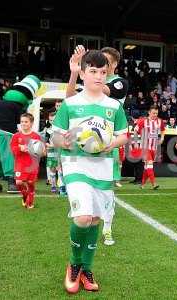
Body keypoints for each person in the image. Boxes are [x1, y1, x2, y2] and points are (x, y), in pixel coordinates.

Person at [52, 50, 128, 293]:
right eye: (93, 71)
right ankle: (74, 265)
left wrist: (110, 144)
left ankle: (86, 268)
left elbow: (124, 135)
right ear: (83, 73)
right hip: (75, 163)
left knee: (95, 218)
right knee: (82, 218)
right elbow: (55, 134)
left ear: (108, 75)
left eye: (102, 72)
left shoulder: (114, 106)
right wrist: (61, 142)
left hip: (104, 165)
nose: (98, 76)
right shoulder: (70, 104)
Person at [66, 45, 129, 246]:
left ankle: (108, 228)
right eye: (96, 65)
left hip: (107, 144)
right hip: (83, 146)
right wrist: (76, 73)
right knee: (88, 206)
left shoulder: (119, 83)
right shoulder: (87, 82)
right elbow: (70, 98)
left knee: (107, 192)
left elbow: (100, 88)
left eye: (106, 64)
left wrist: (87, 72)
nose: (101, 69)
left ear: (115, 65)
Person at [0, 75, 41, 193]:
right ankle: (12, 184)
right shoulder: (18, 107)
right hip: (7, 133)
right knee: (9, 158)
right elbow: (21, 124)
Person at [10, 113, 44, 209]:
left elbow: (41, 151)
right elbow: (12, 149)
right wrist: (19, 148)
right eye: (22, 122)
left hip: (32, 164)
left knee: (30, 183)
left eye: (26, 122)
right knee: (19, 182)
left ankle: (30, 199)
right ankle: (25, 195)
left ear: (31, 123)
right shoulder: (16, 136)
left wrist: (33, 150)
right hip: (20, 163)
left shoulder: (36, 136)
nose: (23, 123)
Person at [136, 105, 165, 190]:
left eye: (156, 113)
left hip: (154, 147)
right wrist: (135, 142)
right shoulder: (143, 121)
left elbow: (163, 130)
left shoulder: (160, 121)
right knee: (149, 164)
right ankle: (154, 184)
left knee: (147, 166)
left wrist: (162, 138)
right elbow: (135, 130)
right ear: (149, 112)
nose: (155, 115)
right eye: (153, 113)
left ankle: (142, 184)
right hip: (145, 147)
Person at [44, 112, 59, 193]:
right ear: (49, 121)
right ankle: (53, 186)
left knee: (60, 170)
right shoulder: (48, 131)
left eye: (54, 120)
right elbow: (45, 141)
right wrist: (49, 146)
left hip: (60, 152)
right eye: (51, 120)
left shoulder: (61, 130)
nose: (52, 121)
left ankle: (62, 186)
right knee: (52, 170)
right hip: (51, 152)